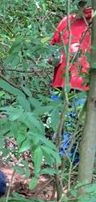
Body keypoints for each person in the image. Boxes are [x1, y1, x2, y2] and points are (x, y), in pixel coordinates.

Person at [50, 1, 92, 163]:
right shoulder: (67, 20)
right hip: (61, 83)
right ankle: (61, 165)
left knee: (77, 128)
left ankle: (70, 166)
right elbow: (53, 49)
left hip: (85, 86)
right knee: (59, 126)